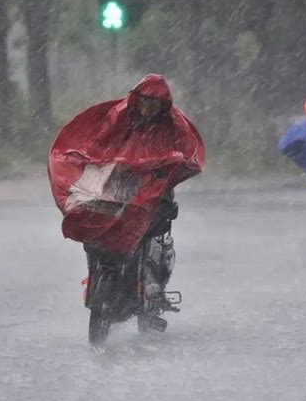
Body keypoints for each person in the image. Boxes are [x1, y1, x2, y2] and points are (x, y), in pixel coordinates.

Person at [49, 74, 205, 306]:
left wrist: (170, 165)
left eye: (154, 102)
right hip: (118, 183)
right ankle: (100, 276)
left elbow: (186, 153)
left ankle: (146, 284)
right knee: (94, 221)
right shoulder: (119, 116)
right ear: (136, 99)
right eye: (144, 100)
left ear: (163, 104)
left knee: (152, 227)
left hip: (155, 188)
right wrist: (90, 158)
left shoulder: (173, 125)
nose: (148, 107)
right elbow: (99, 141)